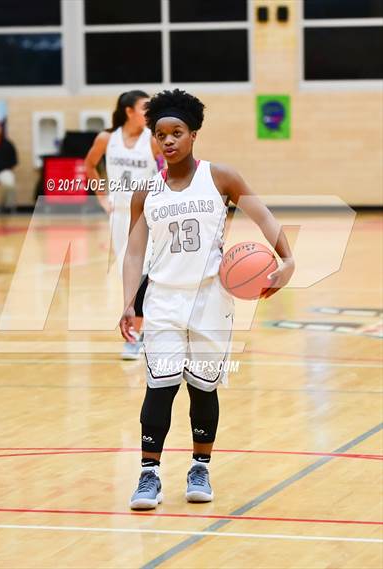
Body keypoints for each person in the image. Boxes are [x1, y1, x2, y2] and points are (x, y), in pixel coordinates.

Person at [120, 89, 295, 510]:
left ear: (193, 134)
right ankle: (149, 476)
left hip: (211, 301)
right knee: (159, 386)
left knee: (203, 388)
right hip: (162, 300)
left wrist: (287, 259)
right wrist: (129, 301)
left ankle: (200, 466)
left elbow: (263, 215)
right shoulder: (145, 193)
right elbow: (133, 251)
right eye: (160, 134)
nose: (168, 141)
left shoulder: (221, 178)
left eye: (176, 132)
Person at [85, 90, 163, 360]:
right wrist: (102, 198)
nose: (149, 113)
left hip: (149, 214)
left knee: (149, 272)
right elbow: (89, 166)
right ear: (129, 111)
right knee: (131, 274)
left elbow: (169, 171)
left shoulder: (152, 140)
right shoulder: (107, 139)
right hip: (119, 215)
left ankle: (140, 333)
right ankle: (137, 333)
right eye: (144, 108)